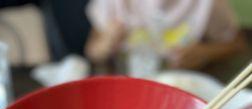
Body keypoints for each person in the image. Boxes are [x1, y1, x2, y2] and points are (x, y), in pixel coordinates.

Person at [85, 0, 246, 70]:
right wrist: (105, 44)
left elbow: (239, 44)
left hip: (183, 89)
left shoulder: (208, 4)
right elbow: (91, 50)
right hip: (125, 86)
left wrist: (204, 53)